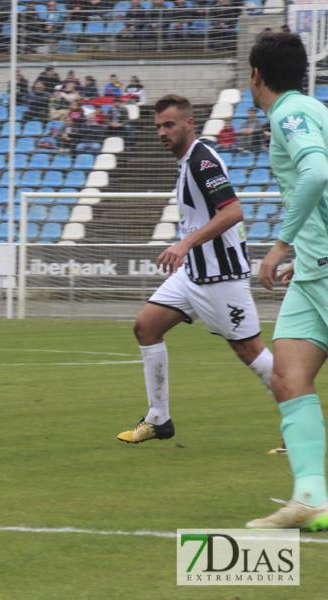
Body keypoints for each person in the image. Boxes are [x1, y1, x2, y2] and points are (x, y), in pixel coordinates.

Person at [117, 94, 275, 450]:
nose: (162, 132)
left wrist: (185, 244)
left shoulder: (202, 161)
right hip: (193, 275)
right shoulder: (187, 162)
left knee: (252, 354)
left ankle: (300, 425)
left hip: (221, 277)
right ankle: (158, 418)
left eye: (169, 124)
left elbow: (233, 211)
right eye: (158, 126)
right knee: (146, 327)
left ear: (189, 124)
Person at [249, 32, 328, 530]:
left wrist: (281, 244)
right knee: (287, 376)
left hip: (319, 265)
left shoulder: (289, 116)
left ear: (256, 75)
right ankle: (310, 497)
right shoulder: (314, 109)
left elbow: (316, 173)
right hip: (314, 270)